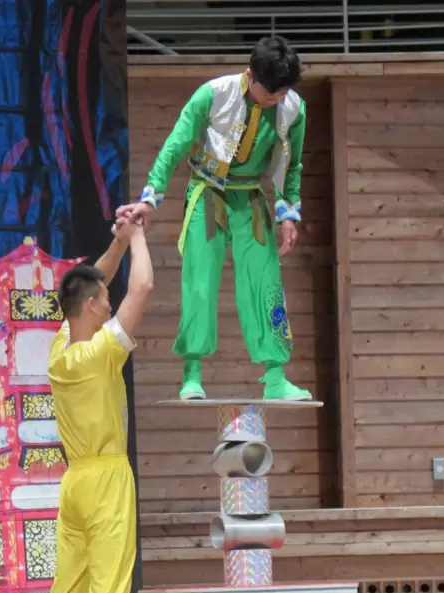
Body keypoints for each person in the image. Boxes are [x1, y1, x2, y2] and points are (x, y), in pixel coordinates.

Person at [116, 35, 312, 402]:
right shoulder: (213, 95)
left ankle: (275, 376)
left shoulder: (293, 109)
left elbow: (293, 165)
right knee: (199, 281)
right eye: (270, 92)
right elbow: (175, 145)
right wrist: (150, 198)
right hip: (208, 192)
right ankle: (192, 373)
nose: (275, 99)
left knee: (266, 283)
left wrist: (288, 213)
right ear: (250, 75)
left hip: (250, 196)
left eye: (282, 92)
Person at [42, 217, 176, 593]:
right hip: (107, 481)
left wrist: (119, 239)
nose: (109, 299)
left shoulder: (61, 346)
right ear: (96, 307)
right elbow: (141, 287)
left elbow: (94, 278)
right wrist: (139, 237)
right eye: (104, 299)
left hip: (75, 482)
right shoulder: (101, 352)